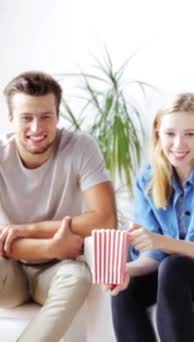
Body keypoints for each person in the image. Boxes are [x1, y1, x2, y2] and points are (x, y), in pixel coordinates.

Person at [110, 93, 194, 342]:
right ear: (158, 132)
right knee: (125, 288)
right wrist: (127, 270)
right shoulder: (148, 177)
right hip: (170, 274)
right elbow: (153, 255)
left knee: (173, 267)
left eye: (190, 134)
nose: (179, 144)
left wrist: (159, 241)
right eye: (170, 134)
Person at [0, 71, 117, 342]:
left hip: (58, 270)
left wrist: (28, 229)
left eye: (45, 117)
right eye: (26, 118)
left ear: (58, 116)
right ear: (11, 119)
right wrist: (52, 245)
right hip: (10, 271)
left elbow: (105, 219)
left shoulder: (80, 148)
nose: (37, 128)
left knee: (78, 277)